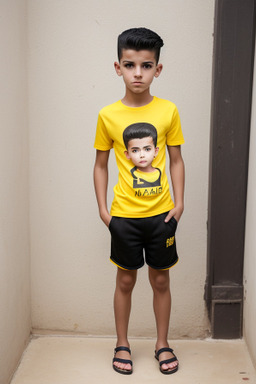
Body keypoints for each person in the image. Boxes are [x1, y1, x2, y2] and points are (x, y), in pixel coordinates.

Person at [93, 27, 185, 375]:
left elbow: (176, 159)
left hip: (161, 217)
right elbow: (100, 164)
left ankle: (162, 343)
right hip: (124, 218)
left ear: (157, 70)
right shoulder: (108, 115)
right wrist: (104, 212)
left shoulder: (168, 111)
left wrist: (179, 205)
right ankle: (123, 343)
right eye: (130, 65)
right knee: (125, 280)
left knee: (161, 280)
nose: (137, 73)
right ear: (118, 67)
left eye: (146, 66)